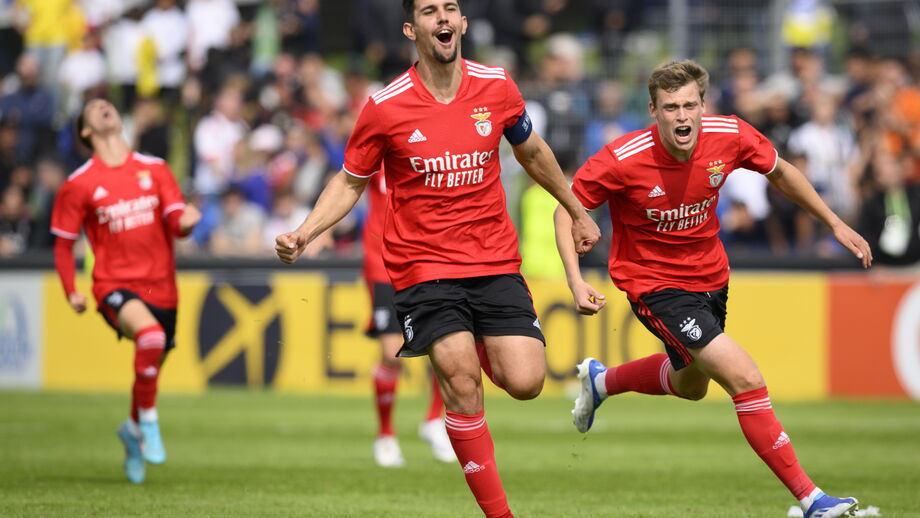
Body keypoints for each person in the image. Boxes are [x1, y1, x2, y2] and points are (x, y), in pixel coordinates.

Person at [275, 1, 599, 516]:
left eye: (451, 8)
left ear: (463, 23)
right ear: (412, 28)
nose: (442, 17)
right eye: (429, 10)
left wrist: (576, 209)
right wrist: (305, 232)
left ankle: (472, 342)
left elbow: (532, 151)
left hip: (493, 259)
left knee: (526, 381)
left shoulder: (497, 85)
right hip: (423, 267)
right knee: (462, 382)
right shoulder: (386, 105)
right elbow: (350, 180)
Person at [554, 60, 870, 518]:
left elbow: (780, 173)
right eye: (670, 108)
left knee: (690, 387)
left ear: (703, 105)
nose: (681, 116)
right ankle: (811, 500)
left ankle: (602, 381)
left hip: (711, 278)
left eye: (689, 105)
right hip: (654, 285)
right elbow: (566, 209)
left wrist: (834, 222)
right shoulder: (622, 159)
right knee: (744, 377)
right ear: (653, 110)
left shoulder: (731, 134)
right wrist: (575, 278)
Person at [50, 99, 200, 484]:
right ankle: (148, 422)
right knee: (150, 336)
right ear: (86, 131)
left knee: (150, 365)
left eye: (107, 103)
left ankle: (132, 431)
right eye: (93, 107)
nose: (103, 106)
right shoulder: (79, 184)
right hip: (114, 284)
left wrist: (187, 222)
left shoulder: (155, 169)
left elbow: (175, 220)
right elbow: (64, 245)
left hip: (162, 287)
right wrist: (71, 291)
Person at [362, 171, 455, 468]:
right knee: (391, 355)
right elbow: (347, 181)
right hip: (383, 263)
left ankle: (433, 420)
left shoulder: (428, 147)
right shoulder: (377, 150)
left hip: (427, 260)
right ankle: (386, 434)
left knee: (449, 343)